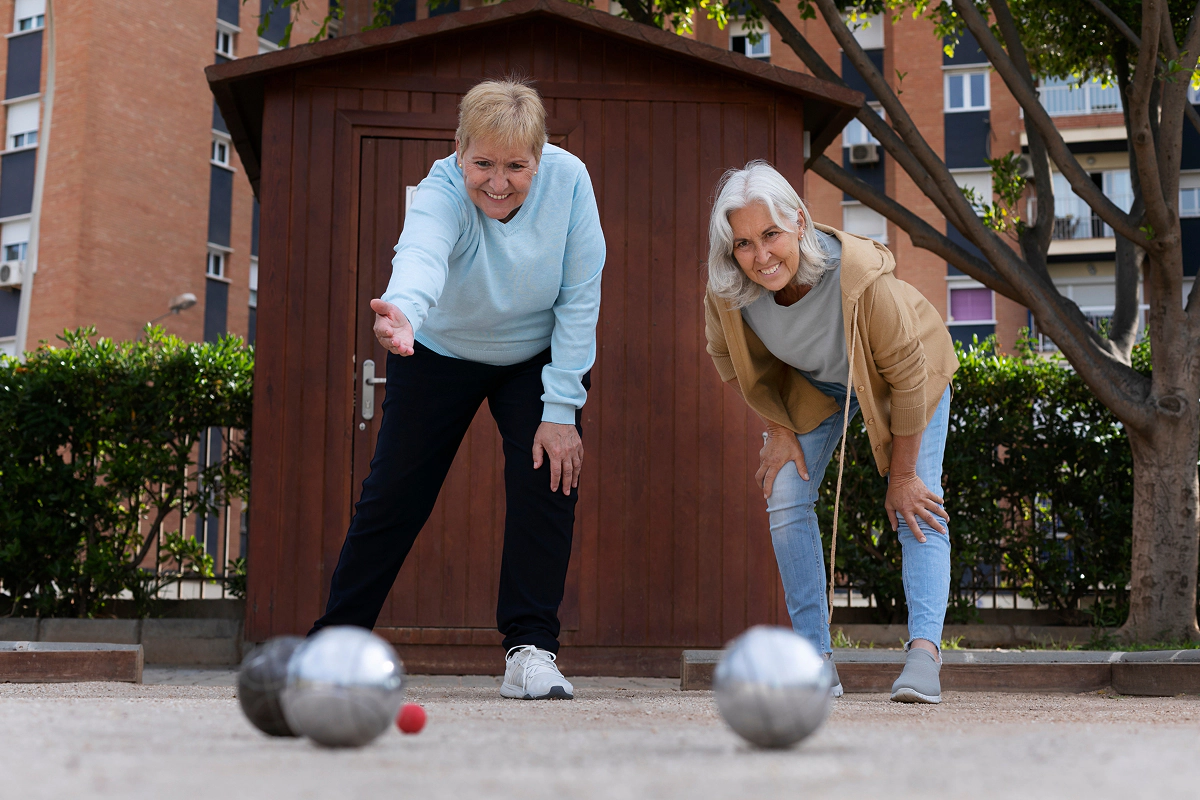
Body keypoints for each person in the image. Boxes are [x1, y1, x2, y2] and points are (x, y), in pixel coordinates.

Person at [310, 79, 605, 701]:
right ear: (458, 150)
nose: (498, 182)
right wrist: (404, 312)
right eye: (483, 164)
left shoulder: (571, 181)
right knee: (394, 495)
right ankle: (334, 647)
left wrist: (561, 408)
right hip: (438, 348)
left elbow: (580, 297)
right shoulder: (441, 191)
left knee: (547, 483)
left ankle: (531, 650)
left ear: (540, 157)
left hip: (534, 356)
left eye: (516, 166)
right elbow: (421, 254)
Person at [704, 161, 959, 703]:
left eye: (771, 234)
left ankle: (924, 655)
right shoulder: (728, 291)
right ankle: (814, 661)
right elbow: (730, 361)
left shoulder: (862, 278)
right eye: (744, 243)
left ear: (799, 221)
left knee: (916, 503)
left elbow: (909, 377)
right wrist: (777, 427)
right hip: (820, 384)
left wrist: (902, 476)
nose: (761, 256)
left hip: (906, 377)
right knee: (785, 492)